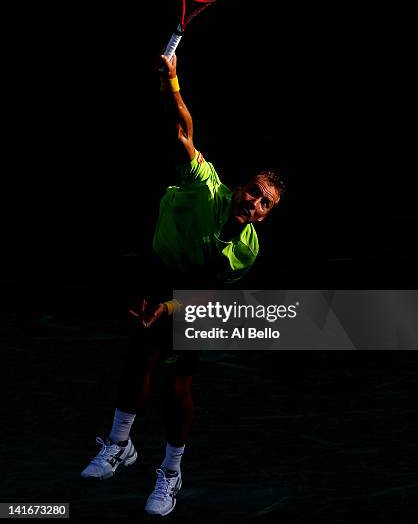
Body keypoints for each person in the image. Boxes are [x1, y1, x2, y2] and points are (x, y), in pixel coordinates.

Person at [80, 52, 284, 516]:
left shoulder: (247, 248)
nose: (253, 202)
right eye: (252, 191)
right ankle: (118, 444)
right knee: (140, 356)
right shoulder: (205, 186)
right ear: (238, 189)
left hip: (192, 297)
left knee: (178, 388)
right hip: (158, 270)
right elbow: (182, 131)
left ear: (265, 216)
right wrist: (172, 80)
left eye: (264, 204)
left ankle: (171, 472)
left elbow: (204, 293)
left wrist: (169, 310)